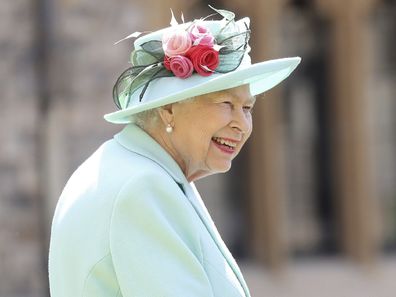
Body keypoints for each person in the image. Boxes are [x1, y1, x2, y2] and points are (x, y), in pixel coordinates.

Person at [48, 6, 300, 297]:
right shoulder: (143, 188)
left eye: (247, 108)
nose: (241, 125)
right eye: (225, 104)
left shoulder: (135, 168)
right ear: (168, 109)